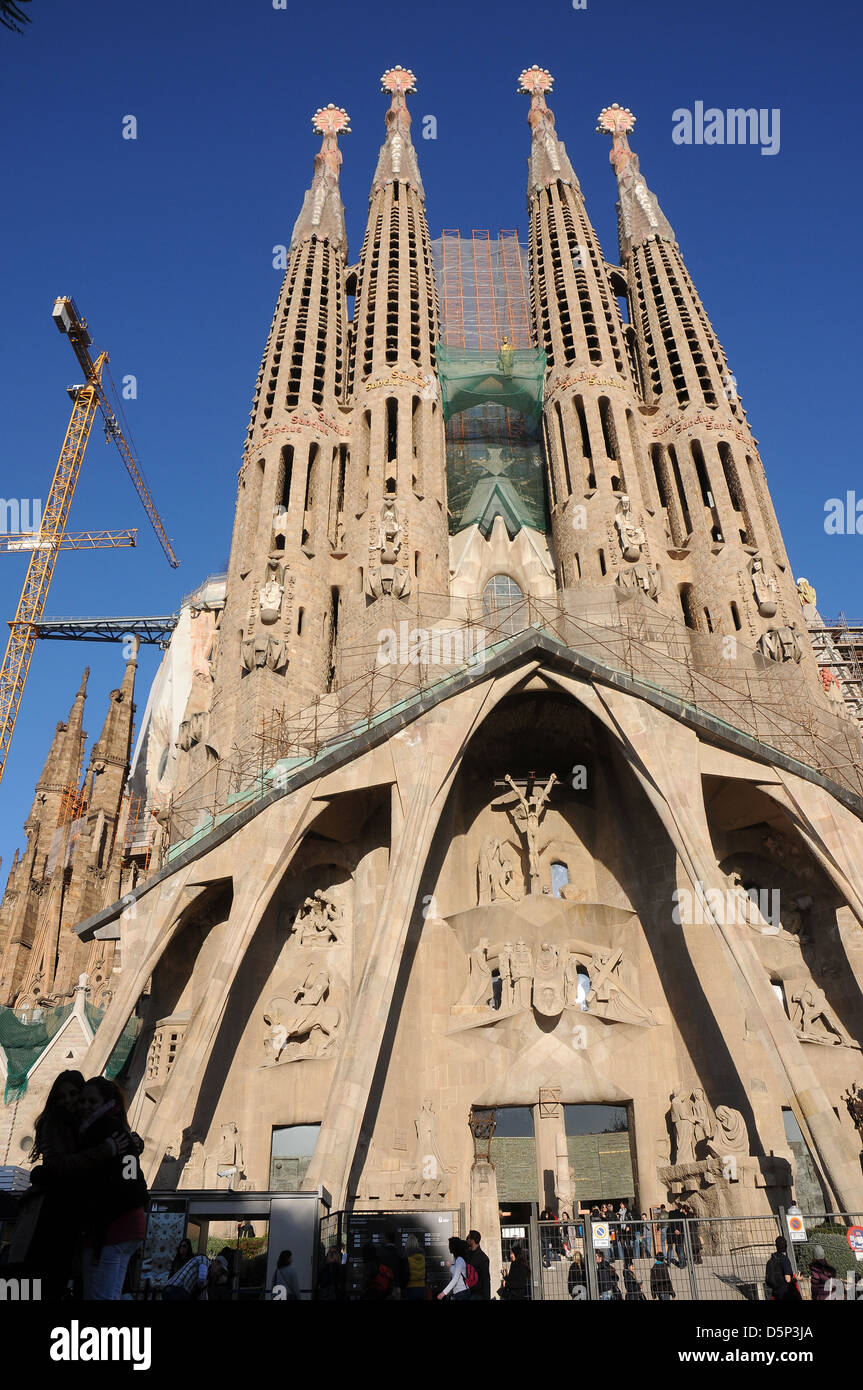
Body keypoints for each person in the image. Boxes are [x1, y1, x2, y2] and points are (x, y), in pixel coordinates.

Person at [33, 1076, 147, 1301]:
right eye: (81, 1100)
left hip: (111, 1225)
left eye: (88, 1100)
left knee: (101, 1293)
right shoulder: (95, 1127)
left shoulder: (99, 1129)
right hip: (112, 1223)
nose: (78, 1104)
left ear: (105, 1102)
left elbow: (117, 1180)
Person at [14, 1070, 85, 1299]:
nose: (67, 1101)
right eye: (61, 1096)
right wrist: (103, 1151)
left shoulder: (79, 1125)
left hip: (66, 1210)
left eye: (73, 1094)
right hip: (52, 1210)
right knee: (42, 1276)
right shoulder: (53, 1124)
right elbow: (57, 1165)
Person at [765, 1236, 801, 1301]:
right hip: (785, 1294)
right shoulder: (784, 1259)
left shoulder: (770, 1260)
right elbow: (788, 1280)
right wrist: (797, 1278)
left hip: (775, 1293)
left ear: (776, 1246)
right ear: (785, 1246)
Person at [437, 1236, 470, 1301]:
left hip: (462, 1293)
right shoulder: (456, 1260)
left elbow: (455, 1278)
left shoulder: (459, 1260)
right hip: (457, 1293)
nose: (449, 1247)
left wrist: (443, 1293)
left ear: (454, 1247)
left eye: (450, 1245)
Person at [379, 1229, 407, 1299]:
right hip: (397, 1287)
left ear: (387, 1239)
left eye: (383, 1238)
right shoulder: (400, 1253)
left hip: (384, 1287)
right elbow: (404, 1271)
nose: (382, 1240)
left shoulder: (381, 1254)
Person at [466, 1230, 490, 1301]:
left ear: (472, 1240)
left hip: (477, 1294)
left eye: (468, 1237)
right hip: (467, 1292)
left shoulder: (483, 1258)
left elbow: (486, 1279)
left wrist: (487, 1297)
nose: (467, 1239)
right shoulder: (468, 1254)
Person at [403, 1234, 427, 1301]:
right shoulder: (422, 1257)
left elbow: (405, 1275)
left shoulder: (406, 1258)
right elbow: (425, 1272)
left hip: (410, 1288)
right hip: (422, 1288)